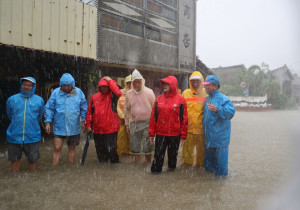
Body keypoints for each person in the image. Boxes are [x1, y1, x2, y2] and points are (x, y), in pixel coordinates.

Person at [44, 73, 87, 166]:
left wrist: (84, 121)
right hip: (59, 125)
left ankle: (70, 168)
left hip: (74, 126)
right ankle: (54, 168)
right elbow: (49, 108)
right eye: (64, 85)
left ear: (73, 84)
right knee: (57, 147)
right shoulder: (56, 93)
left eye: (68, 85)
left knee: (72, 148)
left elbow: (84, 108)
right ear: (61, 84)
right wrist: (47, 122)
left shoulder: (79, 93)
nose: (66, 87)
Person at [149, 76, 188, 174]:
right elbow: (153, 117)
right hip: (161, 133)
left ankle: (171, 178)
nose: (164, 86)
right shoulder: (158, 99)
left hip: (175, 134)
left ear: (173, 85)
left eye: (167, 84)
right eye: (163, 84)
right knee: (158, 156)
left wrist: (183, 135)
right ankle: (155, 176)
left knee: (172, 157)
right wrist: (151, 134)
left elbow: (184, 119)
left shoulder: (181, 100)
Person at [6, 77, 44, 172]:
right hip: (14, 135)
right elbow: (10, 115)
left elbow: (39, 116)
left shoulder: (39, 100)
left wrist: (31, 124)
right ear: (21, 85)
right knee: (14, 160)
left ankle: (32, 181)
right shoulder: (12, 99)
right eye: (25, 84)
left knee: (33, 159)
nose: (26, 87)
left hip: (32, 135)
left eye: (29, 85)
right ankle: (15, 180)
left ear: (33, 86)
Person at [201, 75, 235, 176]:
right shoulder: (207, 99)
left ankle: (219, 187)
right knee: (208, 167)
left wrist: (218, 110)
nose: (205, 87)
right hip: (209, 139)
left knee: (221, 170)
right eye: (205, 85)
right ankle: (210, 187)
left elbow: (231, 113)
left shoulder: (224, 99)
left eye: (207, 85)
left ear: (215, 86)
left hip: (220, 140)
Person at [85, 76, 122, 163]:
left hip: (111, 129)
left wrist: (110, 80)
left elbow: (118, 92)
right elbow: (89, 112)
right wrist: (88, 125)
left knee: (112, 151)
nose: (103, 88)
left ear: (109, 86)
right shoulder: (94, 97)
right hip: (98, 130)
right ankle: (103, 170)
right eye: (102, 86)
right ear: (99, 87)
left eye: (105, 86)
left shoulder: (113, 95)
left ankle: (114, 170)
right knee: (100, 153)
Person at [124, 69, 155, 162]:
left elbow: (154, 109)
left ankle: (148, 163)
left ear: (142, 81)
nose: (137, 84)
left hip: (148, 123)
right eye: (134, 82)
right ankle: (138, 167)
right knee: (135, 146)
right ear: (132, 83)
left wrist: (154, 125)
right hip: (134, 123)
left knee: (147, 146)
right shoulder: (129, 94)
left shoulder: (149, 92)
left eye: (138, 82)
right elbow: (126, 110)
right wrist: (127, 124)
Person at [182, 71, 207, 167]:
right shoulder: (185, 93)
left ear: (201, 82)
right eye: (193, 81)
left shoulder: (206, 94)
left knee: (201, 156)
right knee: (187, 156)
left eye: (197, 81)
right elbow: (182, 112)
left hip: (201, 131)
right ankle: (187, 174)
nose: (195, 84)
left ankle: (199, 172)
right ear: (190, 82)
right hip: (188, 130)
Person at [116, 74, 131, 155]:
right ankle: (120, 153)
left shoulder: (136, 94)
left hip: (131, 121)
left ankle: (131, 153)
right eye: (128, 83)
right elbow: (117, 106)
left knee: (131, 139)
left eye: (131, 82)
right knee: (121, 138)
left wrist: (128, 118)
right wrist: (122, 116)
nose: (130, 84)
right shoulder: (121, 93)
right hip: (121, 121)